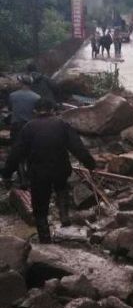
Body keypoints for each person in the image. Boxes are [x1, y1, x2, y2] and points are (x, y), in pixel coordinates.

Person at [3, 98, 96, 243]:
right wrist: (91, 164)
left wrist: (6, 174)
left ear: (35, 111)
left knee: (40, 204)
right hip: (61, 169)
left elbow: (16, 153)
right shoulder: (62, 125)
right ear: (53, 110)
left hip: (39, 172)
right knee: (61, 187)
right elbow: (77, 147)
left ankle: (45, 237)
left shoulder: (28, 127)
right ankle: (64, 216)